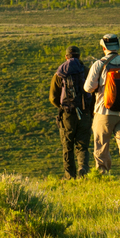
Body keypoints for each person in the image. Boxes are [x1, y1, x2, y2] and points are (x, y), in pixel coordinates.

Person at [83, 33, 120, 180]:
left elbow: (88, 88)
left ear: (103, 48)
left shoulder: (99, 64)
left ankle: (103, 175)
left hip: (104, 112)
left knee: (101, 145)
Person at [48, 45, 92, 179]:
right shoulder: (86, 71)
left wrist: (62, 107)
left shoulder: (59, 73)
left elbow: (53, 97)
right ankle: (83, 168)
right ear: (79, 56)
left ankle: (69, 175)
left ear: (66, 57)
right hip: (84, 113)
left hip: (67, 114)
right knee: (82, 145)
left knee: (67, 145)